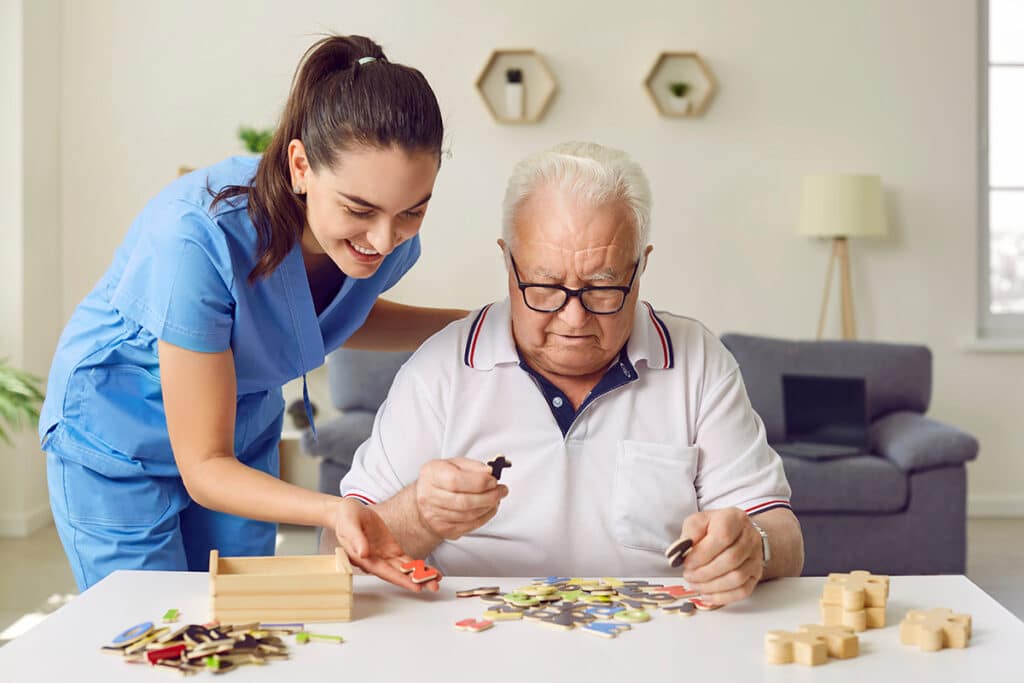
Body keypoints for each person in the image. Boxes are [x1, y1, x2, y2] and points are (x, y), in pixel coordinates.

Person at [39, 35, 462, 592]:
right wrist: (334, 511)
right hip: (118, 436)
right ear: (301, 166)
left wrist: (481, 323)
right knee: (154, 626)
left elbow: (331, 315)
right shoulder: (198, 237)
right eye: (359, 209)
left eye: (412, 210)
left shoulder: (383, 240)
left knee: (243, 611)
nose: (384, 239)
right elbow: (205, 465)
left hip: (238, 432)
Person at [339, 141, 804, 606]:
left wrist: (753, 547)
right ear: (508, 262)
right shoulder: (440, 367)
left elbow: (785, 538)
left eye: (603, 288)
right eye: (544, 287)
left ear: (640, 266)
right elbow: (338, 552)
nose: (573, 319)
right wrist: (420, 515)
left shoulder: (698, 360)